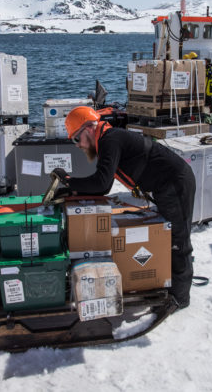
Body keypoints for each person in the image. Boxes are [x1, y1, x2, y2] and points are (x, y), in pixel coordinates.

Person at [55, 106, 196, 308]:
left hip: (175, 182)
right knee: (169, 237)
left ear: (89, 128)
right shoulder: (107, 141)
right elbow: (102, 186)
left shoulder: (110, 140)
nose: (78, 145)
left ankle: (180, 299)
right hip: (165, 185)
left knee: (178, 240)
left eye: (76, 139)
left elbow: (101, 183)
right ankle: (170, 283)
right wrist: (72, 192)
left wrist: (70, 181)